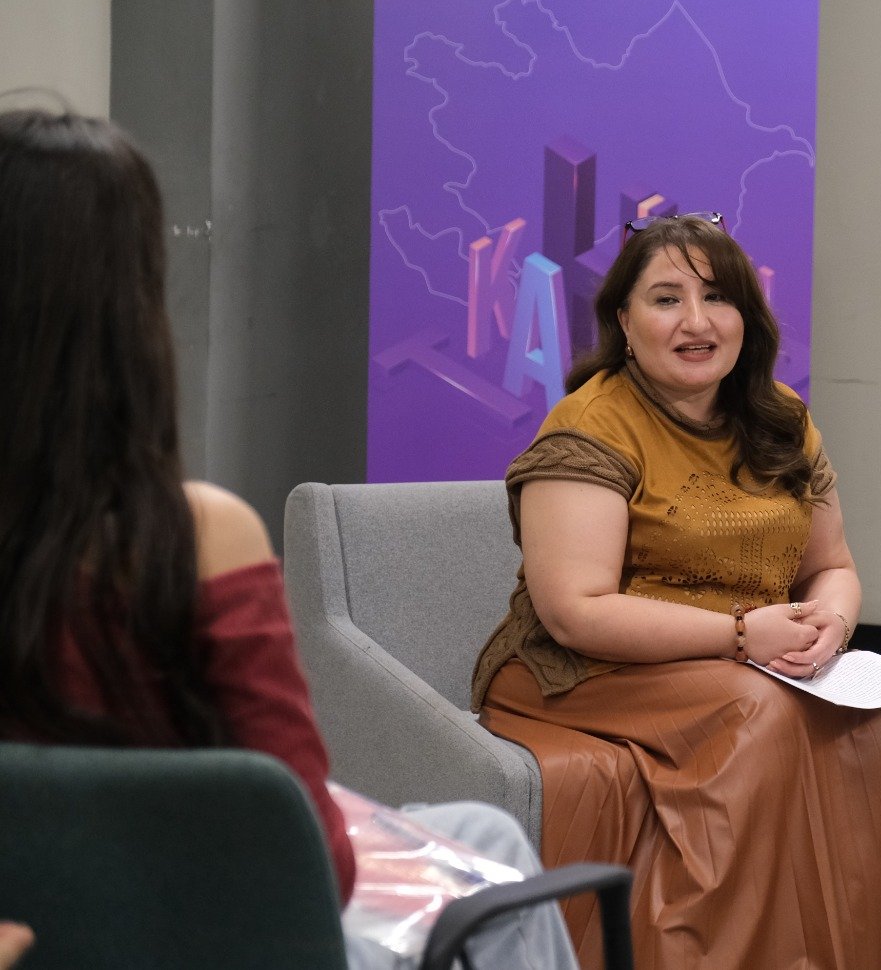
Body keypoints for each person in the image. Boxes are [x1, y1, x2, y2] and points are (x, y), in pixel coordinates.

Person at [0, 105, 577, 970]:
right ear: (131, 312)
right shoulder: (195, 538)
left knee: (480, 832)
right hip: (211, 941)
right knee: (493, 884)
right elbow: (315, 867)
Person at [471, 213, 881, 969]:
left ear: (747, 316)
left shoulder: (780, 418)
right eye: (666, 299)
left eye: (717, 297)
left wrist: (831, 626)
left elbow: (832, 565)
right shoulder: (591, 426)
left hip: (747, 657)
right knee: (759, 712)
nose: (697, 321)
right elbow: (575, 612)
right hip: (583, 671)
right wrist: (742, 636)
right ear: (624, 321)